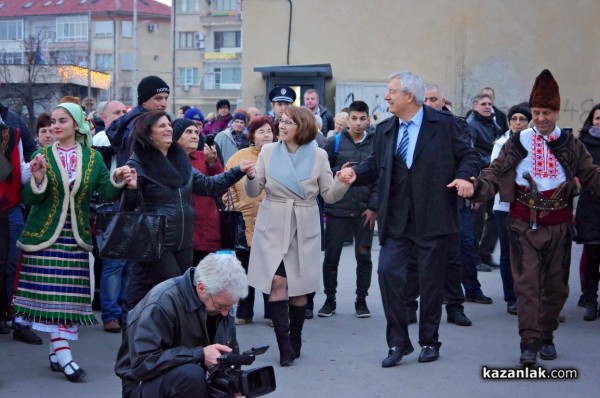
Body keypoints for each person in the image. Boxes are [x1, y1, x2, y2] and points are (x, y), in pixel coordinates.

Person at [338, 71, 480, 367]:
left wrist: (465, 177)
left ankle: (429, 341)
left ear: (409, 97)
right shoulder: (387, 128)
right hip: (396, 221)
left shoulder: (444, 125)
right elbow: (375, 165)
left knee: (430, 283)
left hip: (434, 218)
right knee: (388, 275)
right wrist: (355, 174)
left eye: (391, 92)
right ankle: (398, 343)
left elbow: (469, 156)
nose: (386, 97)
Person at [471, 69, 600, 365]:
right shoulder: (517, 142)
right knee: (527, 284)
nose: (541, 118)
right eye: (537, 112)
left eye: (547, 112)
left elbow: (592, 176)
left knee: (556, 287)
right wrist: (476, 188)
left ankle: (547, 336)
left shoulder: (570, 144)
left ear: (557, 111)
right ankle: (528, 342)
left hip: (559, 224)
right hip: (521, 222)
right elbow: (493, 173)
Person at [11, 102, 137, 382]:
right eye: (53, 121)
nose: (55, 126)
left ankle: (57, 352)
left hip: (76, 237)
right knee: (53, 299)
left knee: (66, 300)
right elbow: (29, 199)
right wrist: (38, 179)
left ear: (77, 125)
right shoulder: (41, 154)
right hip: (44, 239)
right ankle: (65, 354)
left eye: (62, 121)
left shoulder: (92, 159)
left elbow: (105, 192)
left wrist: (118, 178)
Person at [122, 111, 255, 322]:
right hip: (156, 240)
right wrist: (129, 188)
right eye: (161, 126)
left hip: (184, 239)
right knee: (176, 292)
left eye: (168, 125)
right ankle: (148, 338)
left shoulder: (179, 158)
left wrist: (237, 171)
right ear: (148, 134)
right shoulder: (139, 162)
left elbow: (207, 185)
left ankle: (140, 333)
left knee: (148, 290)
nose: (167, 129)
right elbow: (129, 208)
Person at [245, 106, 349, 366]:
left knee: (299, 288)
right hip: (273, 222)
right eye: (280, 121)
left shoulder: (319, 155)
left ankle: (296, 339)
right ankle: (284, 347)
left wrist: (343, 183)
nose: (281, 126)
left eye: (288, 122)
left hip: (304, 223)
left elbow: (330, 195)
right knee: (278, 281)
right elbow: (253, 189)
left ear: (301, 127)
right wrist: (249, 177)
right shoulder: (268, 151)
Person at [115, 252, 248, 398]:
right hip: (143, 383)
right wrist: (199, 354)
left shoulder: (221, 301)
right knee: (190, 376)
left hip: (191, 377)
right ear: (202, 288)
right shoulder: (161, 302)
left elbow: (230, 353)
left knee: (242, 387)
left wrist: (233, 385)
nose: (225, 313)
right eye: (222, 306)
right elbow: (143, 364)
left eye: (231, 306)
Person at [318, 100, 377, 318]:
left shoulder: (376, 143)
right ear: (347, 119)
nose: (359, 123)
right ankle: (329, 300)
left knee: (364, 257)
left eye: (363, 118)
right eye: (354, 118)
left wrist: (374, 207)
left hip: (364, 211)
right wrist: (337, 170)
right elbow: (322, 171)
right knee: (331, 257)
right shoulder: (334, 142)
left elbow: (380, 177)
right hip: (337, 209)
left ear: (368, 119)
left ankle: (361, 300)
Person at [224, 116, 274, 325]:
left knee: (270, 268)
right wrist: (236, 206)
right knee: (244, 267)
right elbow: (227, 185)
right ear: (252, 135)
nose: (266, 135)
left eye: (269, 131)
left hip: (272, 220)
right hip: (244, 220)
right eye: (261, 131)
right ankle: (244, 312)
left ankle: (273, 312)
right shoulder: (239, 156)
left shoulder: (280, 155)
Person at [91, 99, 131, 333]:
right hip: (109, 205)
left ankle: (124, 312)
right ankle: (111, 314)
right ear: (104, 117)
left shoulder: (131, 136)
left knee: (129, 263)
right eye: (116, 112)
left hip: (130, 205)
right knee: (114, 264)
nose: (121, 116)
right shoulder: (101, 139)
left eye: (124, 112)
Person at [491, 102, 532, 316]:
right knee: (508, 253)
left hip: (530, 205)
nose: (517, 123)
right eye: (514, 119)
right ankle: (511, 297)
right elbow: (494, 171)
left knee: (528, 252)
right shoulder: (501, 143)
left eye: (522, 119)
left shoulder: (536, 142)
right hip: (505, 206)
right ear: (509, 122)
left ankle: (529, 295)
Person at [172, 118, 224, 265]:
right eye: (188, 132)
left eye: (196, 132)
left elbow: (222, 188)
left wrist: (213, 164)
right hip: (179, 230)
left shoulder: (205, 157)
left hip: (206, 230)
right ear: (176, 136)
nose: (195, 136)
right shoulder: (167, 159)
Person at [467, 93, 503, 272]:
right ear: (475, 107)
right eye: (483, 104)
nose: (488, 106)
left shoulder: (492, 123)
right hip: (480, 178)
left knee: (495, 216)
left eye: (489, 103)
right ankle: (473, 258)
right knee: (477, 221)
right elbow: (470, 153)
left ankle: (485, 254)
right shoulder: (472, 125)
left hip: (492, 177)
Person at [106, 75, 170, 168]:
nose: (164, 104)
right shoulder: (139, 124)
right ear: (144, 101)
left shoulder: (138, 120)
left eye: (166, 98)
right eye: (158, 98)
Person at [574, 102, 600, 321]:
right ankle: (590, 299)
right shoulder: (582, 144)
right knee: (592, 256)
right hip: (591, 205)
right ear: (591, 120)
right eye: (598, 118)